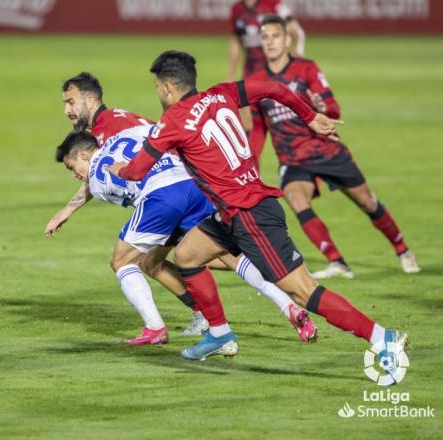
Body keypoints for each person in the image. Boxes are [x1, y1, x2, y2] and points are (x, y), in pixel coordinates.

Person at [109, 50, 409, 368]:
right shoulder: (221, 94)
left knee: (304, 292)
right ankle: (220, 335)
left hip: (250, 214)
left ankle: (382, 337)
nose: (158, 93)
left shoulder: (174, 121)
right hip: (232, 211)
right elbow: (272, 87)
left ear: (168, 86)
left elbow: (137, 171)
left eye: (158, 87)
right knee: (186, 256)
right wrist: (309, 116)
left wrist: (118, 169)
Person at [46, 72, 317, 344]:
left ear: (90, 99)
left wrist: (69, 209)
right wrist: (68, 211)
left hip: (170, 189)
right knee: (198, 257)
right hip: (187, 185)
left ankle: (195, 320)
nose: (67, 110)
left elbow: (109, 169)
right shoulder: (114, 122)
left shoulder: (109, 128)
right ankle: (288, 306)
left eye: (71, 102)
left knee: (135, 260)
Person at [246, 15, 420, 278]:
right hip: (292, 158)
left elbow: (333, 109)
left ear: (288, 39)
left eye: (275, 36)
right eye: (265, 37)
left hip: (326, 150)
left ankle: (402, 248)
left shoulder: (307, 69)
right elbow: (259, 129)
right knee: (295, 198)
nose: (270, 42)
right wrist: (251, 167)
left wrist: (322, 108)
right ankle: (337, 262)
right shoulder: (257, 81)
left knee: (367, 202)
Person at [228, 0, 306, 155]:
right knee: (248, 125)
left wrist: (297, 55)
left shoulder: (273, 4)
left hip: (275, 76)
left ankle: (300, 163)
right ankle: (250, 170)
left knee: (286, 123)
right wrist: (231, 72)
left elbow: (295, 30)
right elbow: (237, 40)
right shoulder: (237, 9)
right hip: (250, 75)